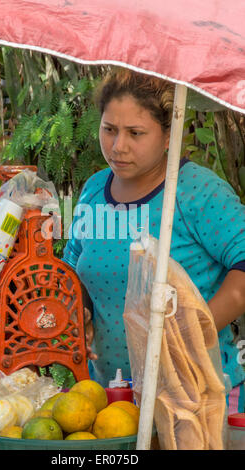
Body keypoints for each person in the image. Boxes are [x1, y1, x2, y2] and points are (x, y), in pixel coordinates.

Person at [62, 67, 245, 412]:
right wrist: (78, 312)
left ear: (168, 135)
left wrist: (191, 334)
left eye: (135, 133)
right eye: (109, 130)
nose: (119, 146)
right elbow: (71, 272)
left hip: (196, 398)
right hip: (109, 400)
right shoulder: (92, 193)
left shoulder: (196, 191)